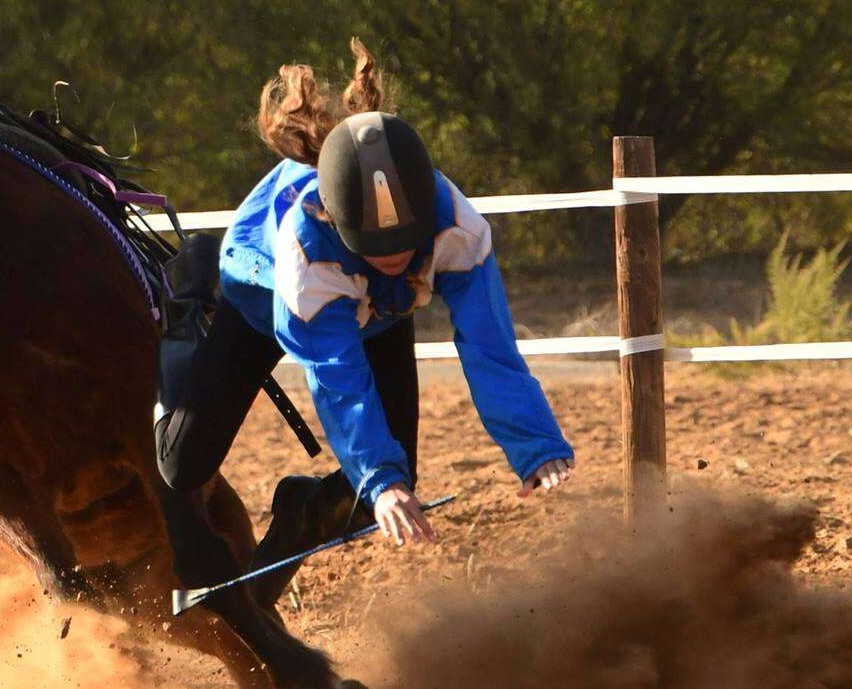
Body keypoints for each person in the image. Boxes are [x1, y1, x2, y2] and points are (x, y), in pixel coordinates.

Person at [155, 39, 574, 561]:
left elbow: (489, 344)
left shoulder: (456, 225)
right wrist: (378, 479)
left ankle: (300, 510)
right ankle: (185, 303)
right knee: (182, 467)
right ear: (339, 225)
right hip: (263, 292)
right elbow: (337, 377)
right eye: (377, 247)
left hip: (378, 308)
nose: (396, 255)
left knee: (398, 475)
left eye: (406, 241)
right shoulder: (309, 254)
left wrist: (536, 446)